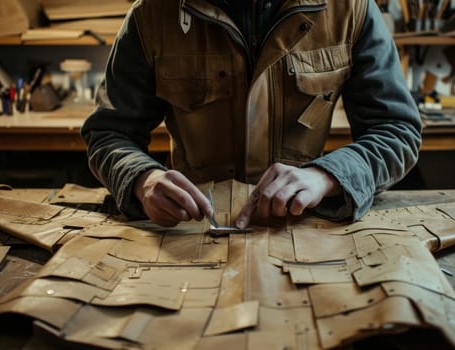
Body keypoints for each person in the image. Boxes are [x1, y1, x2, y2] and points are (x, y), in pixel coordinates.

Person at [81, 0, 422, 229]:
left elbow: (396, 130)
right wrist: (143, 180)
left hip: (304, 227)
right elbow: (109, 133)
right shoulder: (153, 15)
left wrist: (325, 177)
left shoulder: (351, 9)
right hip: (192, 231)